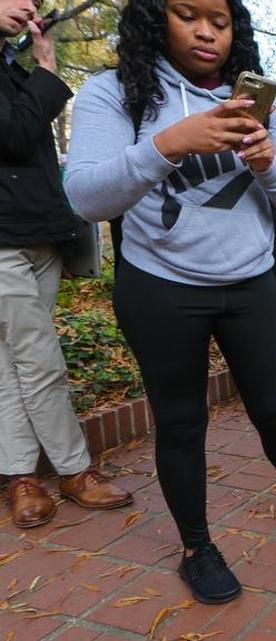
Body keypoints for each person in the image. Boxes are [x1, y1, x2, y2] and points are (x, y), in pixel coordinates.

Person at [64, 0, 276, 605]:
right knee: (182, 421)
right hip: (159, 286)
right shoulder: (115, 92)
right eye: (189, 15)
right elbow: (85, 196)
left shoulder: (263, 103)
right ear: (154, 18)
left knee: (274, 406)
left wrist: (267, 165)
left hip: (250, 284)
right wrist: (168, 144)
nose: (207, 32)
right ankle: (198, 546)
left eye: (220, 19)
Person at [0, 0, 133, 530]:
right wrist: (49, 67)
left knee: (12, 363)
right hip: (3, 240)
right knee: (38, 358)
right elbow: (12, 135)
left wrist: (37, 59)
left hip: (40, 233)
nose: (27, 5)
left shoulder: (12, 67)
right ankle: (75, 469)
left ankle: (20, 477)